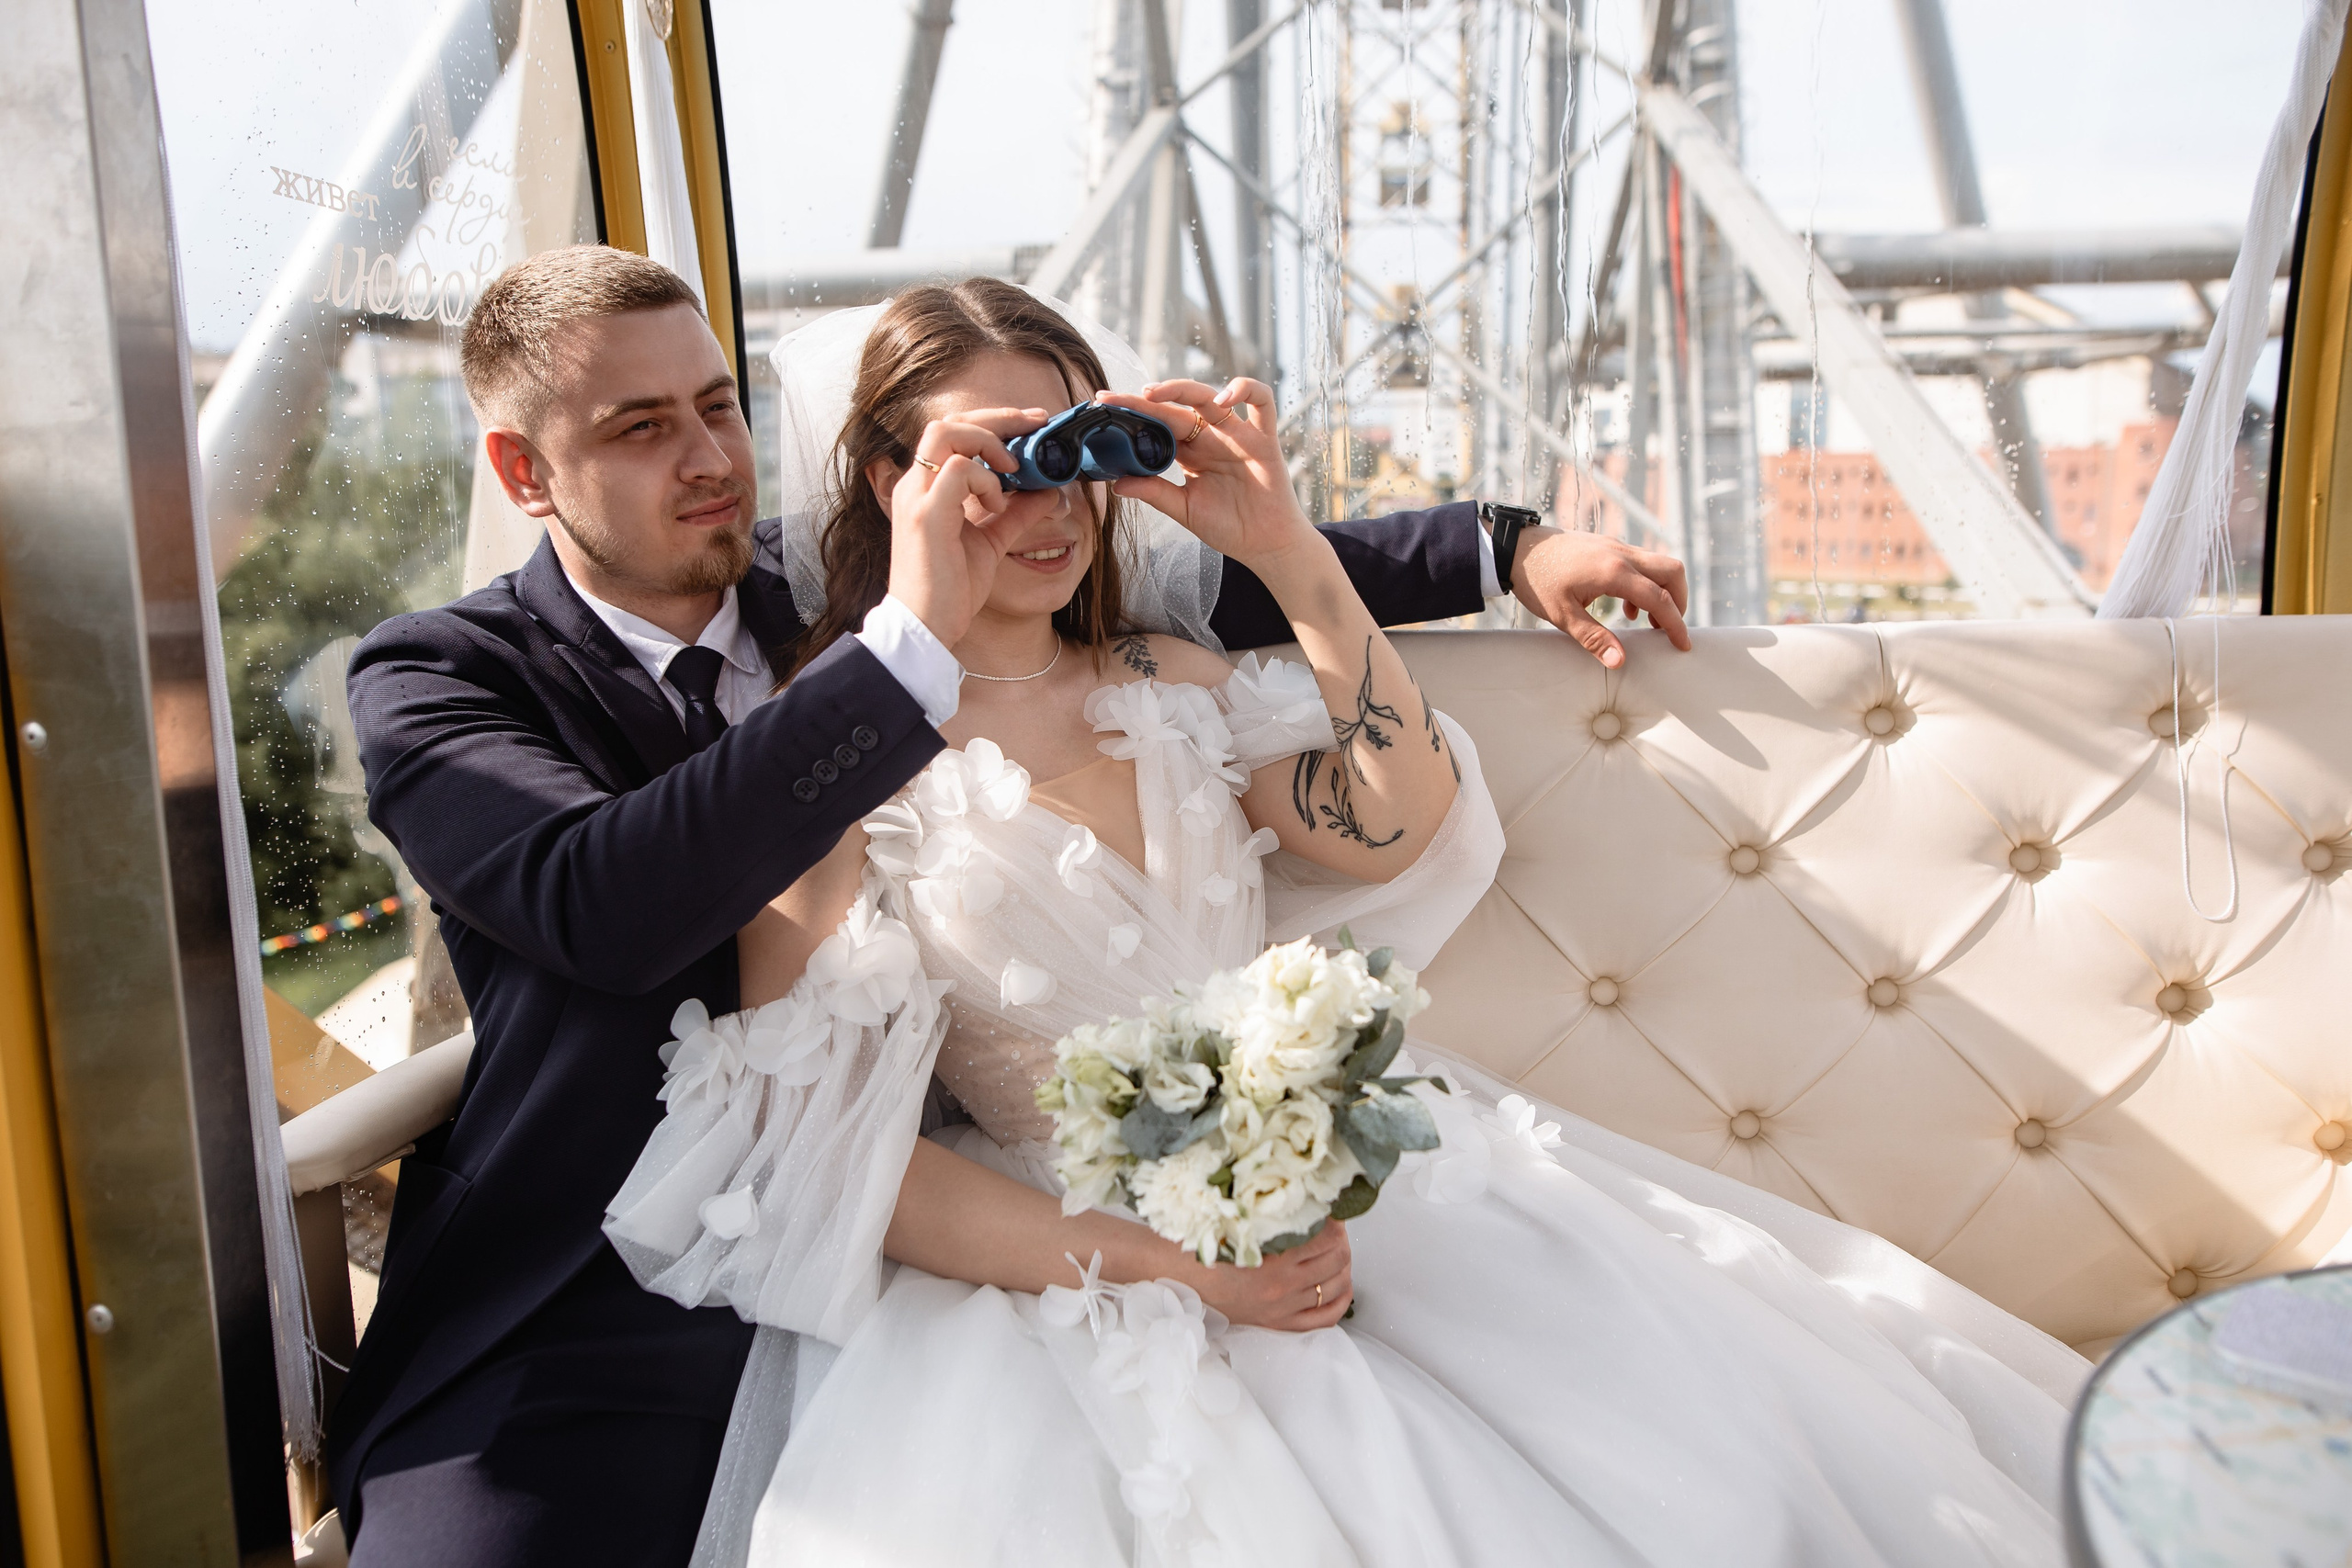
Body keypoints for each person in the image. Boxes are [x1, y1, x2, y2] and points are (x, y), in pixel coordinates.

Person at [607, 278, 2086, 1567]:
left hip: (1364, 1187)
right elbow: (846, 1166)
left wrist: (1288, 555)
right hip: (1070, 1268)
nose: (1048, 504)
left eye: (1076, 452)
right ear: (886, 482)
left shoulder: (1169, 680)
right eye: (998, 464)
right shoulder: (820, 762)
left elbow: (1402, 815)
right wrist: (1187, 1270)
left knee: (1733, 1485)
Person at [328, 245, 1690, 1566]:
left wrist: (1502, 542)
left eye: (718, 408)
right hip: (594, 1273)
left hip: (920, 1211)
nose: (709, 462)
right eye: (639, 427)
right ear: (523, 470)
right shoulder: (441, 678)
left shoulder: (849, 568)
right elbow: (604, 906)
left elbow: (1169, 563)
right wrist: (902, 648)